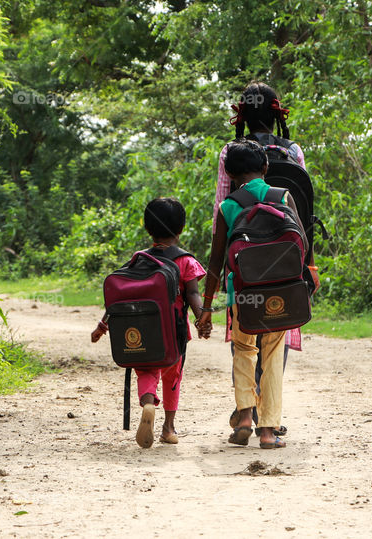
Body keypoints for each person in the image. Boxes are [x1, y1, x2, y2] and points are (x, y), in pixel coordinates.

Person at [197, 139, 315, 449]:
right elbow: (302, 241)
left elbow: (216, 260)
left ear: (230, 174)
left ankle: (246, 417)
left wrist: (207, 307)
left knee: (243, 349)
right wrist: (304, 283)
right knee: (273, 354)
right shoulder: (283, 195)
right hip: (280, 292)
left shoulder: (228, 206)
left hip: (242, 295)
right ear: (265, 168)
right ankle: (268, 431)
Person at [214, 82, 305, 435]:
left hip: (243, 264)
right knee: (275, 339)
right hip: (283, 264)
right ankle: (271, 421)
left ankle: (246, 413)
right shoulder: (292, 150)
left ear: (242, 114)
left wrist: (222, 267)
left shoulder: (229, 152)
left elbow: (222, 202)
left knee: (243, 341)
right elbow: (302, 212)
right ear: (276, 112)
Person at [91, 198, 206, 448]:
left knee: (147, 370)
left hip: (142, 332)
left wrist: (102, 327)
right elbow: (193, 294)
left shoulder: (138, 259)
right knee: (172, 376)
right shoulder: (185, 261)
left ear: (147, 228)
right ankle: (168, 427)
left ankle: (146, 403)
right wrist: (202, 318)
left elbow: (118, 298)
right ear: (181, 228)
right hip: (174, 332)